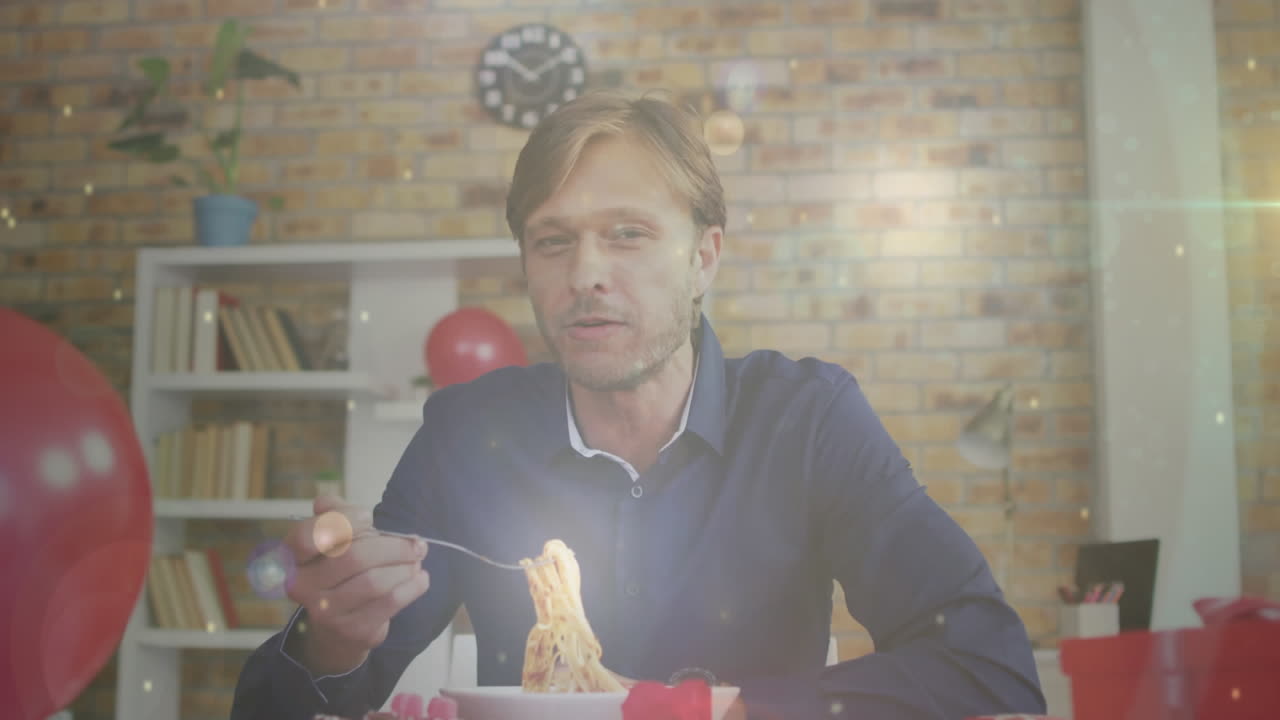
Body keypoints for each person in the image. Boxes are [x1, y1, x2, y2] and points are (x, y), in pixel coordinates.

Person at [231, 89, 1046, 720]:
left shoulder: (807, 420)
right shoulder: (468, 433)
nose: (586, 272)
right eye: (553, 241)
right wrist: (332, 635)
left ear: (704, 258)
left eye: (627, 233)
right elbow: (282, 706)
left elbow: (990, 668)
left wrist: (695, 710)